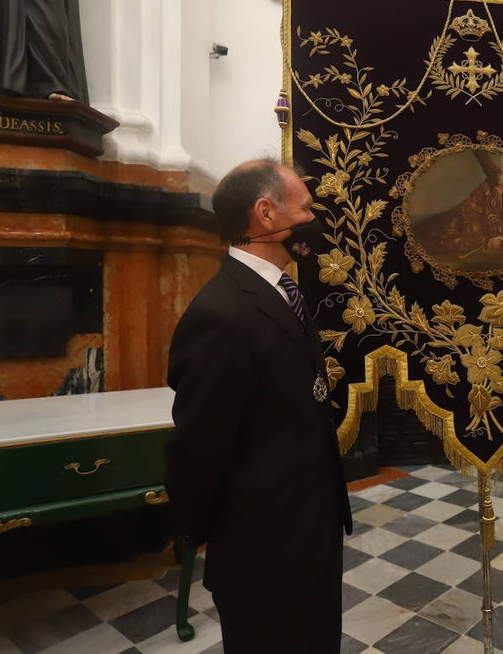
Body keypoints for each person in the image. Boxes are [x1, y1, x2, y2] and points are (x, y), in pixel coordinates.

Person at [165, 159, 352, 654]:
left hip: (307, 531)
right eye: (307, 208)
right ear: (266, 214)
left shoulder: (279, 290)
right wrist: (196, 530)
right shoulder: (221, 312)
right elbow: (200, 442)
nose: (316, 219)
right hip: (263, 550)